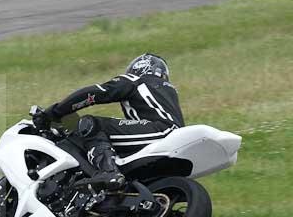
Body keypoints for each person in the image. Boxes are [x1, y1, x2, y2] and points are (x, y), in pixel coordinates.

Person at [35, 53, 184, 190]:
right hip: (174, 136)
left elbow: (97, 93)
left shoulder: (136, 80)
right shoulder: (168, 90)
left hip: (160, 130)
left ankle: (108, 172)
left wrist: (54, 112)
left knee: (92, 124)